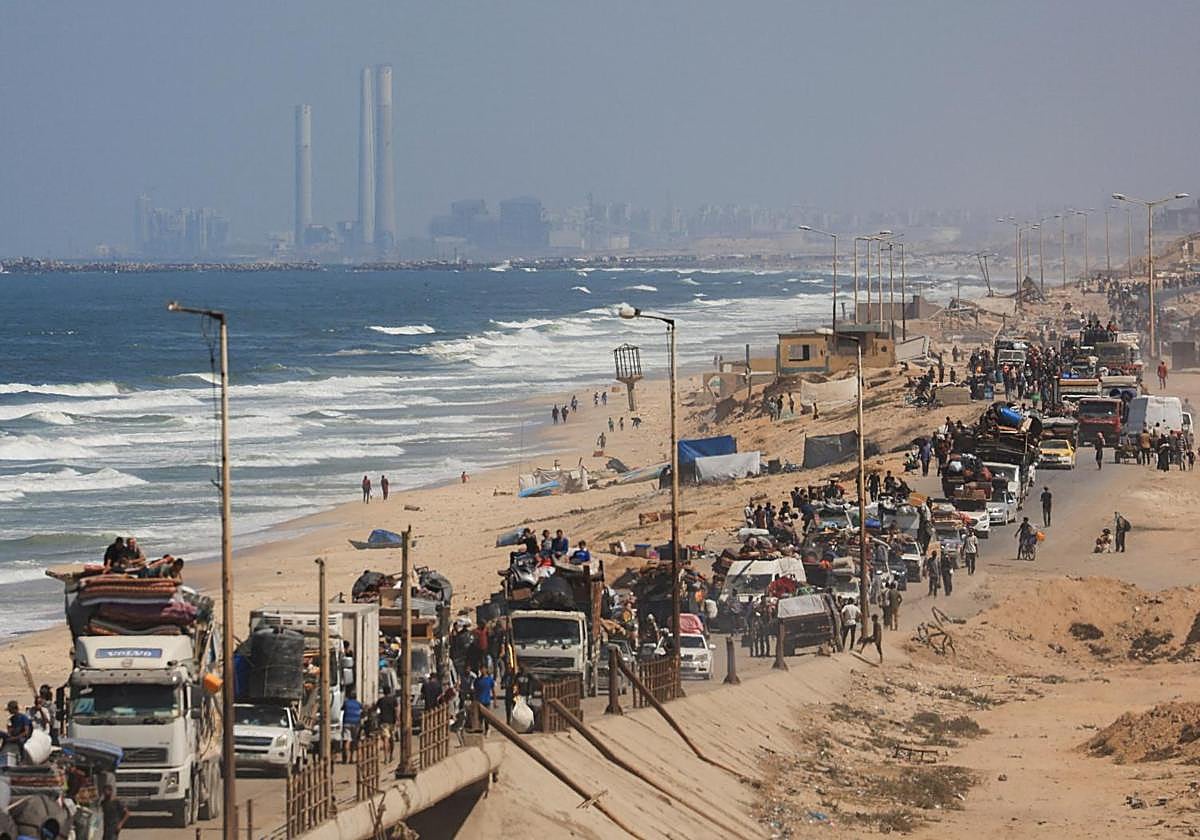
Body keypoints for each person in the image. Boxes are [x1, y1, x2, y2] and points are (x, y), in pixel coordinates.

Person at [375, 688, 398, 762]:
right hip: (392, 721)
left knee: (385, 739)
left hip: (383, 721)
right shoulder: (394, 700)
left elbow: (375, 709)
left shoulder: (380, 700)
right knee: (391, 739)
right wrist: (397, 719)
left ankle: (385, 758)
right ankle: (391, 755)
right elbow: (397, 710)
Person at [341, 690, 363, 763]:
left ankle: (346, 759)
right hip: (356, 723)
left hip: (347, 723)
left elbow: (342, 709)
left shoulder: (346, 703)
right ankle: (351, 758)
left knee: (347, 740)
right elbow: (362, 711)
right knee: (354, 741)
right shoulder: (358, 704)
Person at [474, 667, 496, 733]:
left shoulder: (490, 680)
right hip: (479, 701)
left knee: (487, 717)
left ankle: (487, 729)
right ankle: (480, 730)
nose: (482, 671)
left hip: (487, 701)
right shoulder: (477, 680)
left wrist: (495, 701)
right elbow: (475, 691)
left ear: (486, 670)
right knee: (479, 718)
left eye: (483, 669)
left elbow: (493, 691)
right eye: (481, 669)